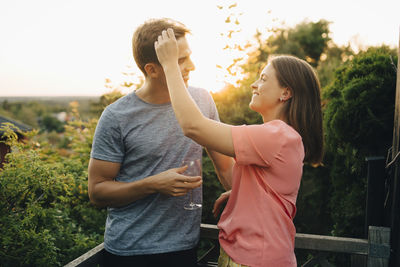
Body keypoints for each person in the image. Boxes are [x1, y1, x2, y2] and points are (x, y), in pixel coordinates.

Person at [155, 29, 324, 267]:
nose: (254, 84)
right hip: (249, 257)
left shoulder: (277, 136)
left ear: (286, 93)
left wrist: (170, 64)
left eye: (264, 79)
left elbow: (193, 126)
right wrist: (244, 194)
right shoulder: (280, 137)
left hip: (257, 260)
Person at [88, 19, 233, 267]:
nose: (192, 66)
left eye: (189, 56)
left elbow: (225, 166)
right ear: (152, 69)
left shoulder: (202, 99)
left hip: (184, 248)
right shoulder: (116, 117)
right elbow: (98, 191)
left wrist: (242, 193)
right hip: (128, 252)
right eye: (179, 61)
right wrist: (153, 184)